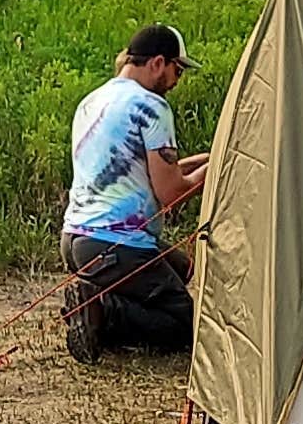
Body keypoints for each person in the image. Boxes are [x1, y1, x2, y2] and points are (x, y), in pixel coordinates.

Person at [63, 24, 207, 359]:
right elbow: (170, 192)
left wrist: (210, 158)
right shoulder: (151, 107)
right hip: (117, 245)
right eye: (178, 69)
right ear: (158, 62)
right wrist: (219, 171)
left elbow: (147, 174)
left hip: (76, 240)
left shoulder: (92, 100)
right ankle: (102, 309)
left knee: (183, 270)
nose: (176, 80)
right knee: (186, 323)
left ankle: (96, 300)